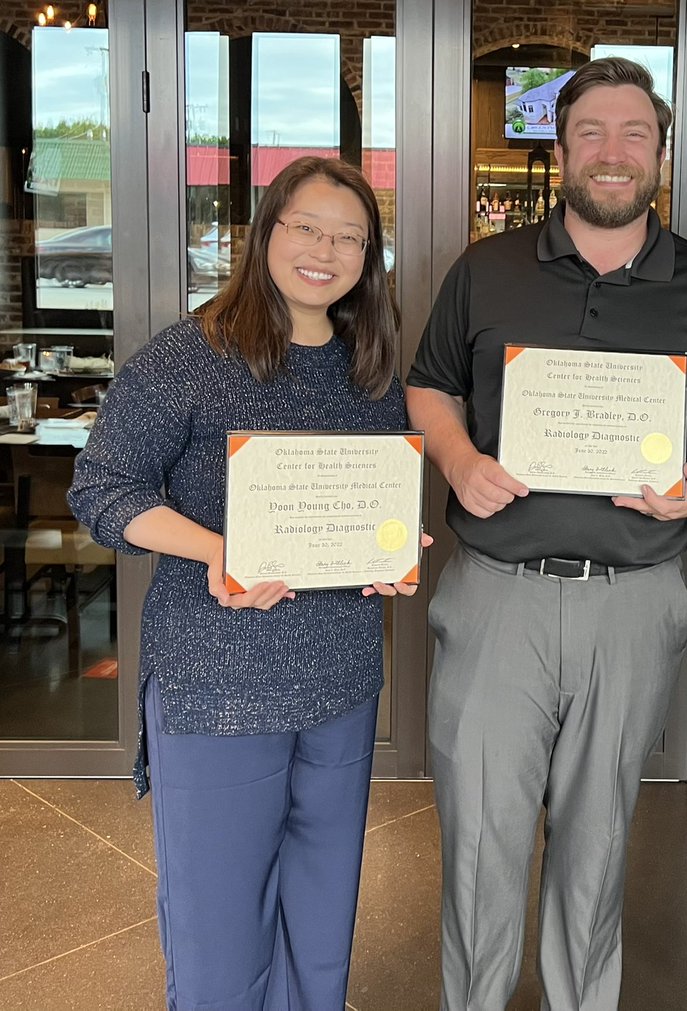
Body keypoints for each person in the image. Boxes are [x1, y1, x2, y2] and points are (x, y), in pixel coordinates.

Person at [407, 56, 687, 1011]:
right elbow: (429, 384)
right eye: (591, 133)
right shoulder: (487, 270)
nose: (612, 152)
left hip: (634, 600)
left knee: (596, 841)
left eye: (633, 134)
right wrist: (458, 460)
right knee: (479, 835)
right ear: (560, 150)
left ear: (660, 152)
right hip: (496, 595)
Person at [68, 156, 425, 1010]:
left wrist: (388, 548)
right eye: (307, 226)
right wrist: (215, 551)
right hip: (216, 683)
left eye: (351, 238)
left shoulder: (368, 371)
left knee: (322, 911)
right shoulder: (190, 357)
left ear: (368, 259)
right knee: (218, 923)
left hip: (340, 679)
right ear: (266, 231)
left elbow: (372, 496)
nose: (326, 250)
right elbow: (102, 488)